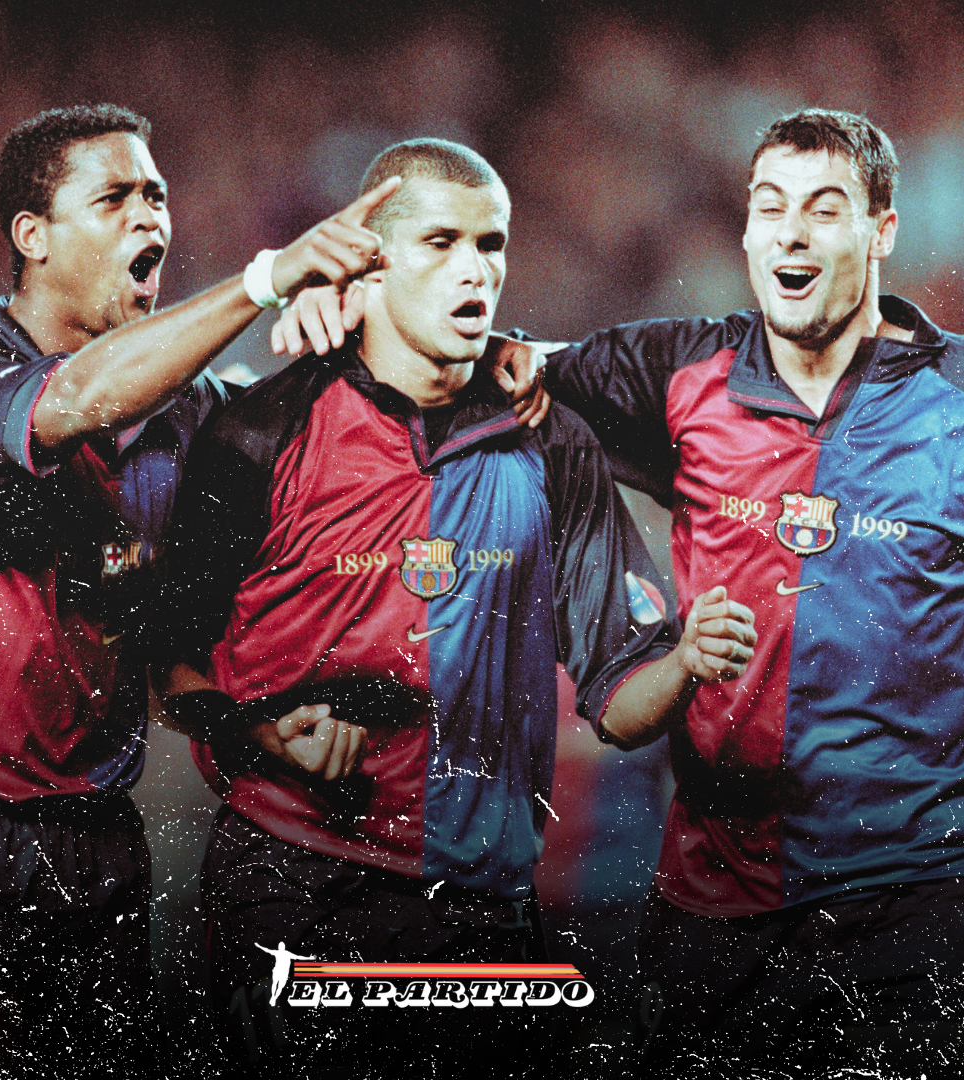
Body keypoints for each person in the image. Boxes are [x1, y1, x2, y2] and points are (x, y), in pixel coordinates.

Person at [274, 108, 964, 1076]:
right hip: (714, 910)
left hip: (912, 905)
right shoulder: (678, 369)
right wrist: (346, 309)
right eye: (770, 208)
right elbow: (486, 358)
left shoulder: (953, 404)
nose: (792, 234)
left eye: (823, 209)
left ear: (883, 230)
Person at [155, 137, 756, 1078]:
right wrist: (262, 735)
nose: (476, 269)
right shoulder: (258, 432)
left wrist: (683, 663)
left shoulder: (549, 440)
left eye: (491, 243)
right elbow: (171, 664)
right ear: (369, 266)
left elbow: (621, 699)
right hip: (295, 884)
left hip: (485, 907)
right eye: (442, 243)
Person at [0, 101, 399, 1078]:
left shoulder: (192, 425)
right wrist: (267, 282)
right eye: (114, 196)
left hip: (99, 853)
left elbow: (175, 660)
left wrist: (354, 326)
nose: (149, 215)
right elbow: (77, 397)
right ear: (32, 236)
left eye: (157, 195)